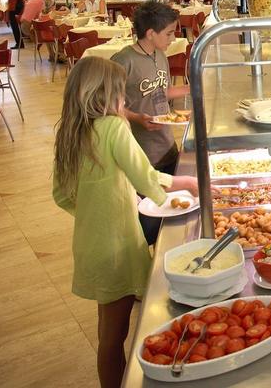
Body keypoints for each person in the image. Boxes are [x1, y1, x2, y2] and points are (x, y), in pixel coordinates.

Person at [52, 57, 197, 388]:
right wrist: (185, 185)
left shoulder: (72, 132)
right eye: (121, 95)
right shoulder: (114, 127)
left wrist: (97, 211)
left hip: (91, 244)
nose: (125, 102)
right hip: (116, 247)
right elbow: (145, 178)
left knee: (108, 326)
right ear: (106, 96)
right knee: (114, 337)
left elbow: (62, 195)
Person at [111, 2, 189, 244]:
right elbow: (109, 107)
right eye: (168, 33)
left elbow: (162, 92)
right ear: (150, 33)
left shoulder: (159, 55)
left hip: (166, 144)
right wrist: (137, 118)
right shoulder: (123, 61)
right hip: (141, 153)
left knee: (171, 213)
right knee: (149, 220)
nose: (172, 37)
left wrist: (193, 88)